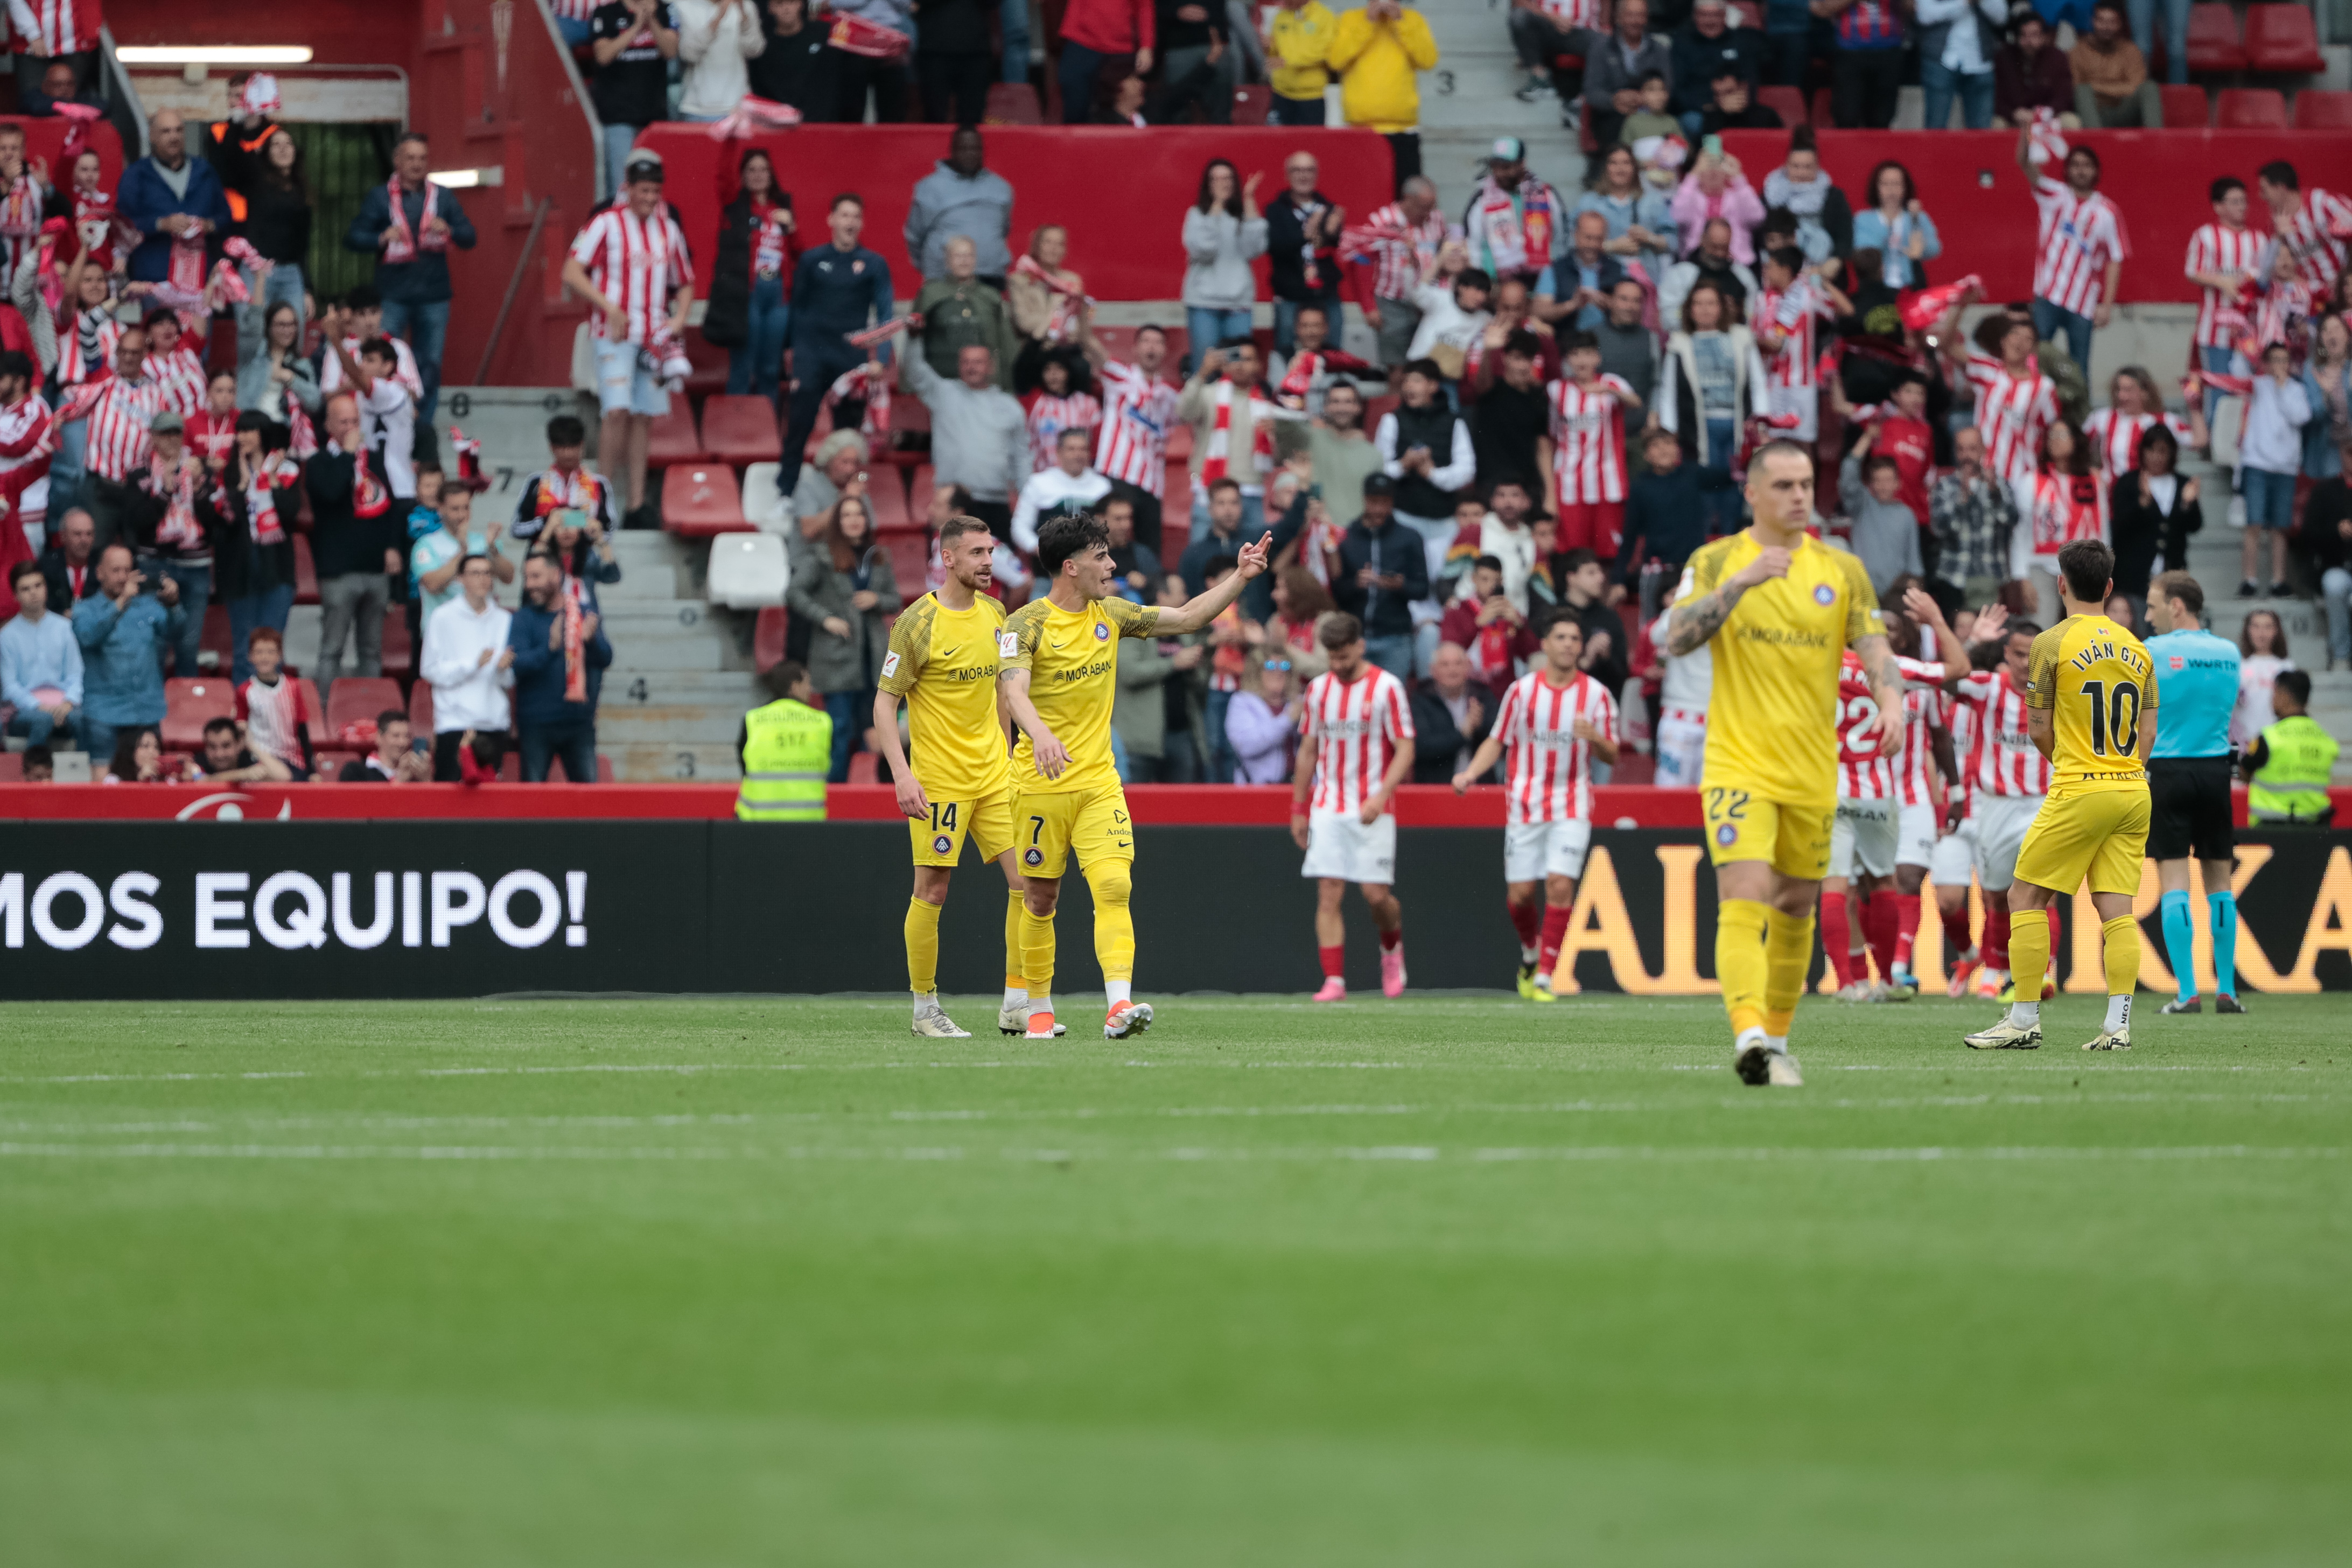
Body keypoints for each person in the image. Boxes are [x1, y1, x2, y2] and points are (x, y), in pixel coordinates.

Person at [1665, 439, 1905, 1087]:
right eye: (1784, 485)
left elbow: (1877, 648)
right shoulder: (1717, 560)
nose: (1800, 496)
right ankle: (1747, 1030)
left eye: (1806, 483)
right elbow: (1672, 635)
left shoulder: (1842, 568)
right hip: (1739, 763)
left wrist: (1891, 701)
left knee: (1797, 906)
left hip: (1813, 769)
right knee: (1743, 895)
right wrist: (1741, 584)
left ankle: (1773, 1041)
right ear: (1753, 493)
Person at [996, 512, 1272, 1039]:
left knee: (1114, 884)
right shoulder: (1024, 623)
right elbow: (1014, 691)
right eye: (1102, 555)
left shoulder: (1114, 613)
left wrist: (1241, 576)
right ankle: (1038, 1009)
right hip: (1038, 783)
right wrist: (1041, 733)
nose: (1113, 563)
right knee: (1040, 898)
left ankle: (1117, 1005)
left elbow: (1189, 617)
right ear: (1071, 566)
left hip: (1099, 779)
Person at [1963, 539, 2154, 1051]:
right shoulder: (2138, 648)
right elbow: (2148, 733)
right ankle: (2118, 1027)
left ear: (2061, 583)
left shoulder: (2050, 643)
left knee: (2023, 895)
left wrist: (2072, 764)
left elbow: (2039, 726)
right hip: (2134, 789)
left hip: (2081, 785)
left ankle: (2023, 1020)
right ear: (2110, 587)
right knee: (2117, 910)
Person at [866, 514, 1039, 1031]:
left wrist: (1009, 754)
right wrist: (901, 775)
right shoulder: (916, 623)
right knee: (933, 890)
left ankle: (1016, 1002)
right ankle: (925, 1010)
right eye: (978, 553)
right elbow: (883, 705)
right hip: (939, 780)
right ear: (948, 559)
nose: (989, 562)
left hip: (994, 776)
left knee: (1028, 883)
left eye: (991, 552)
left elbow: (1006, 692)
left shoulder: (995, 613)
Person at [1453, 612, 1622, 997]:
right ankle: (1531, 955)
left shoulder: (1596, 695)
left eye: (1575, 639)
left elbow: (1612, 754)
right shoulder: (1522, 691)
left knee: (1560, 883)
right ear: (1544, 645)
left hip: (1572, 803)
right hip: (1525, 804)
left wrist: (1594, 737)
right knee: (1521, 895)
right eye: (1560, 637)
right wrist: (1470, 774)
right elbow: (1498, 740)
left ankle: (1546, 974)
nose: (1568, 644)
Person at [563, 154, 695, 531]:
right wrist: (608, 306)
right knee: (616, 411)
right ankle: (600, 502)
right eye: (644, 191)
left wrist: (680, 317)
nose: (650, 198)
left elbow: (685, 279)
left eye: (656, 191)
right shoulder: (605, 223)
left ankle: (636, 503)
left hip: (653, 338)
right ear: (630, 189)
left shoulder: (669, 229)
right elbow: (571, 271)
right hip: (612, 333)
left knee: (643, 417)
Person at [1290, 611, 1416, 1000]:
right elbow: (1308, 750)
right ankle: (1334, 980)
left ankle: (1392, 947)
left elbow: (1406, 747)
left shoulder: (1387, 687)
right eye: (1332, 658)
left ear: (1360, 647)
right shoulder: (1319, 691)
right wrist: (1299, 807)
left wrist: (1382, 795)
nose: (1339, 665)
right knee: (1329, 891)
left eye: (1345, 656)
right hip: (1329, 805)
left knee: (1376, 897)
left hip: (1372, 806)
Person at [2140, 570, 2244, 1013]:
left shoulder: (2150, 652)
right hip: (2216, 772)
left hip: (2167, 771)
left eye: (2153, 605)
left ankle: (2186, 992)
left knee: (2174, 883)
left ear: (2176, 606)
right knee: (2220, 884)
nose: (2148, 615)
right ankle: (2228, 990)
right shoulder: (2230, 653)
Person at [342, 132, 475, 428]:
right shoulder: (380, 197)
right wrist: (380, 238)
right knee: (381, 360)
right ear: (397, 161)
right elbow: (352, 238)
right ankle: (382, 421)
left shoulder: (443, 196)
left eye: (422, 158)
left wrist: (450, 230)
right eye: (411, 158)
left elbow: (470, 237)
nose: (417, 164)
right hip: (392, 294)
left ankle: (421, 427)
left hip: (434, 294)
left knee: (429, 366)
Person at [783, 195, 895, 494]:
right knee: (799, 424)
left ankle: (847, 496)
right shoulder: (811, 260)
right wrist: (792, 351)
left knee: (848, 437)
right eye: (844, 216)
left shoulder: (874, 263)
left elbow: (886, 315)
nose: (850, 222)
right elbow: (796, 309)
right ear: (831, 220)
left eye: (855, 217)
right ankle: (786, 492)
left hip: (850, 358)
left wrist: (880, 360)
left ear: (861, 223)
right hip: (812, 354)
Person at [789, 492, 900, 781]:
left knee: (875, 731)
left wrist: (877, 598)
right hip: (836, 656)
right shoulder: (822, 556)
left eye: (859, 514)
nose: (854, 520)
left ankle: (867, 793)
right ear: (838, 522)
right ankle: (835, 791)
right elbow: (794, 593)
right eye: (846, 515)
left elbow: (894, 600)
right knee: (840, 729)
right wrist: (825, 618)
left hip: (874, 657)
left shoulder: (878, 556)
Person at [1942, 292, 2060, 549]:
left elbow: (2054, 432)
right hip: (1984, 472)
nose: (2019, 342)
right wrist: (1960, 308)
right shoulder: (1988, 370)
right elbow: (1948, 346)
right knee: (1983, 545)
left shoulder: (2044, 388)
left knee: (2019, 548)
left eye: (2027, 338)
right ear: (2003, 341)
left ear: (2034, 348)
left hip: (2023, 477)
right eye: (2014, 336)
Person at [1658, 281, 1770, 537]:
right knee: (1703, 485)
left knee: (1735, 483)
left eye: (1711, 303)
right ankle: (1705, 544)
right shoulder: (1680, 342)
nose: (1705, 309)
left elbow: (1758, 383)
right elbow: (1668, 391)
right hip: (1697, 428)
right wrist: (1669, 432)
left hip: (1736, 425)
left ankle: (1732, 538)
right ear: (1689, 309)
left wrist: (1762, 423)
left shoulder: (1741, 338)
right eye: (1699, 304)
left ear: (1721, 307)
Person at [305, 393, 399, 691]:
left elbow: (390, 506)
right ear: (329, 425)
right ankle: (324, 714)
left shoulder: (374, 460)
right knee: (332, 649)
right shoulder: (318, 462)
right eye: (343, 421)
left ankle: (370, 713)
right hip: (338, 571)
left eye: (355, 421)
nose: (350, 427)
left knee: (371, 650)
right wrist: (347, 454)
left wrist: (392, 546)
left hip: (375, 569)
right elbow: (332, 492)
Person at [2016, 135, 2124, 377]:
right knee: (2035, 359)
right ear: (2067, 170)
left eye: (2086, 166)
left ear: (2096, 170)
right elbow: (2024, 163)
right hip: (2048, 295)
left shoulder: (2108, 212)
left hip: (2083, 301)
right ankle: (2035, 408)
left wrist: (2107, 306)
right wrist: (2025, 130)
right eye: (2075, 165)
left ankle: (2080, 415)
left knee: (2079, 368)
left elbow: (2115, 259)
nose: (2081, 171)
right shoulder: (2054, 195)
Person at [72, 540, 185, 764]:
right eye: (116, 571)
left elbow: (177, 633)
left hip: (147, 710)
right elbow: (87, 637)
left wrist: (174, 605)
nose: (123, 577)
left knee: (150, 782)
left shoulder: (148, 605)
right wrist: (122, 602)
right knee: (104, 787)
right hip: (104, 714)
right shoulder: (84, 609)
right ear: (100, 573)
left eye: (127, 570)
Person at [906, 344, 1028, 545]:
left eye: (978, 362)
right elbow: (913, 370)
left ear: (991, 367)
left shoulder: (1010, 407)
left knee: (999, 570)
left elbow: (1021, 457)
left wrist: (1027, 498)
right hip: (953, 504)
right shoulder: (943, 394)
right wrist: (914, 338)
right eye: (966, 362)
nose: (972, 367)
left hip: (995, 503)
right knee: (951, 569)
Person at [507, 551, 611, 782]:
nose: (529, 585)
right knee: (532, 803)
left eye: (536, 577)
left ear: (556, 576)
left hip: (578, 724)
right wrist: (550, 648)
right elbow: (518, 666)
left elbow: (605, 659)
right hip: (536, 724)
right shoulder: (523, 619)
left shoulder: (582, 612)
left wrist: (591, 641)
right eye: (527, 578)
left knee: (588, 803)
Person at [704, 148, 796, 404]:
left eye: (763, 169)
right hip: (748, 295)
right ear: (743, 176)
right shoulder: (736, 206)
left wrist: (792, 227)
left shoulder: (783, 207)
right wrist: (730, 138)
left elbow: (799, 253)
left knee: (770, 370)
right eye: (751, 170)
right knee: (744, 366)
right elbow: (723, 177)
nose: (758, 175)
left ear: (772, 174)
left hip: (778, 295)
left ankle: (767, 433)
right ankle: (736, 437)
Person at [64, 326, 163, 551]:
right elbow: (70, 408)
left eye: (134, 352)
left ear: (145, 354)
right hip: (102, 485)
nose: (128, 357)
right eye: (123, 352)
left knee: (134, 551)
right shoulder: (102, 383)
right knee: (94, 549)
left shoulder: (157, 395)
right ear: (117, 353)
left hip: (136, 489)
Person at [418, 553, 516, 781]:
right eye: (475, 573)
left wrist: (502, 668)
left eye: (487, 573)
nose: (482, 579)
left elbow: (508, 680)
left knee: (490, 802)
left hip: (494, 722)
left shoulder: (504, 619)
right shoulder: (443, 617)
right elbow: (430, 670)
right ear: (461, 579)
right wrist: (473, 665)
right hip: (455, 723)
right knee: (451, 802)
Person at [1346, 177, 1455, 378]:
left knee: (1428, 365)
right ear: (1408, 199)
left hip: (1428, 302)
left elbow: (1444, 256)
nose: (1427, 213)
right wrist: (1368, 306)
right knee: (1397, 367)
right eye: (1423, 207)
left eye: (1432, 207)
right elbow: (1361, 262)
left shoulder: (1437, 219)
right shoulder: (1381, 221)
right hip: (1392, 302)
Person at [1084, 321, 1180, 542]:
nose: (1152, 348)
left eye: (1158, 343)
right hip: (1118, 475)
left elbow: (1193, 410)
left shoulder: (1169, 395)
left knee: (1149, 552)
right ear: (1135, 348)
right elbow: (1089, 344)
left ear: (1165, 351)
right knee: (1106, 544)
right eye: (1146, 341)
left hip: (1152, 485)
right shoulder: (1122, 378)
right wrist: (1082, 310)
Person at [1329, 0, 1438, 188]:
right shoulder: (1350, 19)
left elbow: (1428, 60)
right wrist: (1368, 22)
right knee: (1364, 191)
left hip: (1403, 129)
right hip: (1361, 130)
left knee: (1404, 197)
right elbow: (1335, 60)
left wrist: (1401, 22)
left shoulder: (1413, 19)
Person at [117, 111, 233, 288]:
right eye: (166, 131)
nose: (174, 137)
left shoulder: (204, 171)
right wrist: (161, 224)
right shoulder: (136, 175)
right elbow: (122, 225)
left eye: (179, 130)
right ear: (152, 136)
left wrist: (210, 225)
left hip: (200, 278)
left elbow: (225, 217)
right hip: (155, 277)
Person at [2236, 342, 2311, 599]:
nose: (2280, 364)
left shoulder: (2297, 390)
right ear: (2266, 363)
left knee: (2280, 527)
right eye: (2274, 359)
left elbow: (2300, 417)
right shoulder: (2257, 386)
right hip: (2257, 464)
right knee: (2254, 524)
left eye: (2284, 359)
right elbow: (2235, 377)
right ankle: (2250, 579)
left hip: (2286, 468)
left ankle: (2279, 580)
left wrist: (2281, 388)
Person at [1180, 161, 1267, 376]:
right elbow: (1203, 250)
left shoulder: (1242, 215)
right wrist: (1216, 208)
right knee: (1206, 369)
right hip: (1203, 303)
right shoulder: (1197, 215)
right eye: (1216, 179)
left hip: (1238, 304)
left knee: (1237, 369)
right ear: (1208, 184)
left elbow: (1255, 249)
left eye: (1227, 178)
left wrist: (1248, 199)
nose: (1222, 183)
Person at [590, 0, 681, 193]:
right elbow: (603, 55)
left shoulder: (665, 11)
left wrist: (652, 21)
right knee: (622, 188)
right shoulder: (606, 13)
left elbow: (671, 51)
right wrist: (637, 27)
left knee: (656, 186)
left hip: (654, 117)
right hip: (618, 118)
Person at [905, 128, 1013, 285]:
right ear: (953, 151)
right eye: (964, 148)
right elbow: (915, 236)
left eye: (976, 148)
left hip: (992, 277)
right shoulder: (930, 187)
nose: (971, 154)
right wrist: (929, 268)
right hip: (944, 278)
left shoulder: (1001, 187)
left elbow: (1003, 230)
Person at [2107, 423, 2198, 603]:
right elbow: (2120, 525)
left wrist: (2188, 504)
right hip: (2134, 576)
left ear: (2172, 453)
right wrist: (2143, 503)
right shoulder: (2128, 482)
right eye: (2152, 450)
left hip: (2172, 574)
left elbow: (2195, 525)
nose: (2157, 457)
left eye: (2163, 451)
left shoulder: (2182, 483)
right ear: (2143, 452)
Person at [1266, 153, 1346, 356]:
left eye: (1309, 170)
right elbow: (1277, 247)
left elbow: (1332, 247)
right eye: (1297, 170)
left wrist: (1331, 232)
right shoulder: (1275, 210)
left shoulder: (1329, 209)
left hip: (1326, 295)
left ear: (1317, 175)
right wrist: (1306, 234)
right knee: (1287, 357)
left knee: (1331, 355)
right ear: (1287, 175)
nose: (1304, 175)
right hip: (1291, 297)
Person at [2, 558, 85, 751]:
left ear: (46, 588)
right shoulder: (7, 636)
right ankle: (32, 776)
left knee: (83, 720)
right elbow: (10, 687)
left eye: (38, 585)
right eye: (25, 589)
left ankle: (85, 778)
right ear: (15, 596)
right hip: (24, 709)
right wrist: (40, 706)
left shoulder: (64, 628)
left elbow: (75, 674)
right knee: (43, 721)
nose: (33, 593)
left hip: (64, 704)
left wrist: (68, 702)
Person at [913, 236, 1015, 389]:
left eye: (969, 256)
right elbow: (914, 342)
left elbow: (1005, 343)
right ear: (947, 261)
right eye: (958, 256)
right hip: (941, 384)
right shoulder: (930, 293)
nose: (964, 261)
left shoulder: (991, 296)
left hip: (985, 385)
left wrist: (1008, 385)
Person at [736, 658, 831, 821]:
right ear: (794, 686)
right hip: (808, 820)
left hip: (756, 820)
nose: (810, 689)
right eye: (807, 683)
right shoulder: (821, 722)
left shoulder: (753, 719)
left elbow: (745, 766)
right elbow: (829, 766)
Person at [2240, 669, 2339, 824]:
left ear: (2284, 696)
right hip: (2315, 828)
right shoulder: (2326, 740)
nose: (2272, 700)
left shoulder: (2270, 737)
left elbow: (2244, 772)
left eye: (2275, 694)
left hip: (2272, 830)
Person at [1578, 0, 1672, 151]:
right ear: (1618, 18)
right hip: (1611, 116)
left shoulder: (1659, 50)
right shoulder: (1601, 49)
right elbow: (1591, 92)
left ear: (1647, 18)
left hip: (1652, 114)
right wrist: (1615, 100)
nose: (1636, 21)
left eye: (1640, 15)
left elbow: (1669, 87)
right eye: (1630, 15)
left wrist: (1645, 99)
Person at [2256, 160, 2352, 300]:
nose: (2262, 196)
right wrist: (2278, 237)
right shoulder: (2276, 223)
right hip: (2318, 300)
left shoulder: (2322, 203)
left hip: (2347, 293)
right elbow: (2264, 275)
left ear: (2280, 188)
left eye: (2264, 190)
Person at [1840, 442, 1924, 596]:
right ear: (1871, 484)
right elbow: (1848, 478)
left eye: (1888, 480)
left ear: (1898, 483)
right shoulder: (1862, 506)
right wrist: (1868, 437)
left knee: (1894, 619)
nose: (1883, 486)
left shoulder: (1907, 515)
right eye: (1878, 481)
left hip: (1896, 591)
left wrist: (1915, 582)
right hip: (1863, 588)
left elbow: (1914, 560)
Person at [1013, 427, 1114, 557]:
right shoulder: (1039, 483)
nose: (1078, 455)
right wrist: (1040, 548)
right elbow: (1020, 527)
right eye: (1071, 449)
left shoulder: (1103, 486)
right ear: (1059, 453)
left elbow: (1110, 528)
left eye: (1083, 449)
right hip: (1050, 565)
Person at [1056, 0, 1157, 127]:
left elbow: (1145, 5)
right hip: (1081, 40)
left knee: (1123, 112)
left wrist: (1146, 46)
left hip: (1120, 46)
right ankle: (1074, 146)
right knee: (1075, 106)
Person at [1669, 0, 1763, 133]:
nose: (1710, 21)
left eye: (1716, 15)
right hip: (1700, 110)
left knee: (1766, 119)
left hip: (1736, 106)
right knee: (1693, 123)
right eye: (1704, 15)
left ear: (1724, 16)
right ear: (1695, 16)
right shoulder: (1682, 43)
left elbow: (1751, 79)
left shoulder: (1739, 41)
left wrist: (1740, 99)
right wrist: (1715, 102)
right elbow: (1678, 91)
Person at [2069, 0, 2159, 127]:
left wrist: (2096, 87)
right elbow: (2076, 87)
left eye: (2112, 22)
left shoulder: (2131, 50)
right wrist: (2114, 89)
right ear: (2092, 21)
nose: (2106, 27)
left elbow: (2136, 86)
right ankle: (2095, 142)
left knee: (2150, 88)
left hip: (2125, 110)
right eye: (2101, 21)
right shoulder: (2078, 51)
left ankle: (2156, 142)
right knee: (2082, 91)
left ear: (2120, 24)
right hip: (2093, 112)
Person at [1816, 0, 1904, 129]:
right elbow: (1820, 9)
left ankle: (1878, 149)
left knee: (1882, 119)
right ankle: (1846, 149)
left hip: (1889, 52)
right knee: (1847, 116)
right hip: (1850, 53)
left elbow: (1915, 10)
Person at [676, 0, 769, 123]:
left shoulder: (746, 5)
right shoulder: (685, 6)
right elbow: (689, 55)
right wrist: (719, 17)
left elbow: (755, 50)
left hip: (738, 107)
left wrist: (744, 16)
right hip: (697, 108)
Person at [1850, 163, 1938, 291]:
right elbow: (1864, 252)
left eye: (1897, 184)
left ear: (1905, 188)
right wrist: (1891, 227)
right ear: (1876, 188)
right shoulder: (1863, 219)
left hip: (1910, 287)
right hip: (1876, 288)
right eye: (1885, 184)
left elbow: (1934, 248)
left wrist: (1916, 227)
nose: (1891, 189)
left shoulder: (1917, 217)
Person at [1916, 0, 2004, 128]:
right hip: (1941, 59)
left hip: (1980, 63)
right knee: (1936, 128)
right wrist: (1964, 3)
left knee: (1981, 132)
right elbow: (1924, 15)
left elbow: (2001, 17)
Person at [748, 0, 841, 118]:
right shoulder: (761, 47)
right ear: (770, 8)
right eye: (780, 3)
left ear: (801, 4)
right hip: (778, 124)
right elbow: (758, 90)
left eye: (791, 2)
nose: (786, 9)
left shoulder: (825, 35)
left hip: (820, 123)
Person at [1659, 216, 1758, 327]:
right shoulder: (1680, 274)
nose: (1719, 254)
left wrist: (1736, 314)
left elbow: (1753, 318)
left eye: (1724, 248)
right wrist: (1702, 316)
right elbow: (1667, 319)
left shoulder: (1744, 277)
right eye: (1715, 247)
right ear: (1702, 240)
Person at [2302, 465, 2352, 669]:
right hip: (2336, 564)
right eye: (2349, 451)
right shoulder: (2324, 490)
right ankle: (2341, 655)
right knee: (2334, 584)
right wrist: (2336, 531)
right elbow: (2309, 534)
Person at [1020, 354, 1100, 477]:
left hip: (1081, 476)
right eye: (1047, 370)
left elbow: (1097, 442)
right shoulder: (1036, 403)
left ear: (1069, 372)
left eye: (1059, 369)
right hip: (1046, 477)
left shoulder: (1088, 403)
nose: (1053, 375)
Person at [1266, 0, 1340, 124]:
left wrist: (1288, 61)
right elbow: (1275, 52)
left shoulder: (1324, 17)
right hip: (1281, 91)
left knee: (1310, 142)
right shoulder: (1281, 16)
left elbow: (1325, 51)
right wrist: (1268, 48)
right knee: (1281, 142)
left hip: (1311, 95)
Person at [1994, 13, 2076, 127]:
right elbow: (1996, 96)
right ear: (2016, 37)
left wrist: (2041, 114)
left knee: (2071, 122)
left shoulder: (2057, 57)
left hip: (2049, 117)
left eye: (2034, 35)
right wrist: (2013, 113)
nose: (2029, 41)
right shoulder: (2004, 58)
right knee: (1996, 124)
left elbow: (2064, 96)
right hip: (2015, 117)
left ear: (2044, 36)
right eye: (2023, 35)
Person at [2232, 607, 2291, 747]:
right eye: (2256, 627)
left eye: (2268, 627)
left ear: (2277, 631)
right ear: (2248, 630)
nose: (2261, 633)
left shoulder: (2286, 666)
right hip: (2245, 740)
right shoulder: (2237, 665)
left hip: (2276, 741)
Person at [103, 726, 179, 785]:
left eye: (156, 747)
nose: (152, 752)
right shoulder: (113, 781)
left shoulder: (166, 780)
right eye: (145, 746)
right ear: (130, 751)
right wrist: (141, 782)